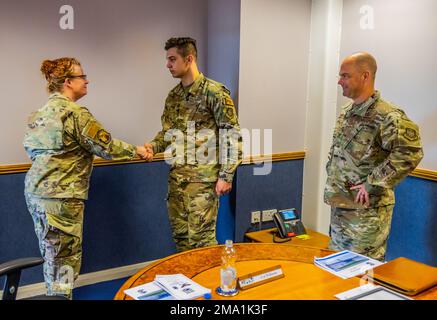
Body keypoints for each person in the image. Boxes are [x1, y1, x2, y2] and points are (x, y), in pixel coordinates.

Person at [23, 57, 150, 298]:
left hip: (36, 193)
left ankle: (56, 294)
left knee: (51, 254)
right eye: (82, 76)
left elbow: (33, 152)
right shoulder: (75, 114)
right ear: (68, 82)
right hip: (61, 198)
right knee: (65, 261)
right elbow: (106, 146)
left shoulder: (39, 114)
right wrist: (138, 150)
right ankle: (60, 296)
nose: (87, 80)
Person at [145, 37, 242, 252]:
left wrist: (226, 176)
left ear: (189, 59)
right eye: (167, 59)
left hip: (202, 185)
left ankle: (206, 285)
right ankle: (189, 287)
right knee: (182, 243)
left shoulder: (214, 93)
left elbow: (232, 136)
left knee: (202, 246)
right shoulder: (174, 97)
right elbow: (168, 134)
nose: (167, 65)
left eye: (172, 59)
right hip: (177, 182)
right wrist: (153, 146)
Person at [324, 52, 423, 261]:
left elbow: (410, 153)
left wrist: (372, 183)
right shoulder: (347, 112)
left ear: (365, 76)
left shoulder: (387, 115)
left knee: (362, 274)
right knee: (336, 271)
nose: (339, 81)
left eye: (345, 76)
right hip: (341, 209)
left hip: (366, 215)